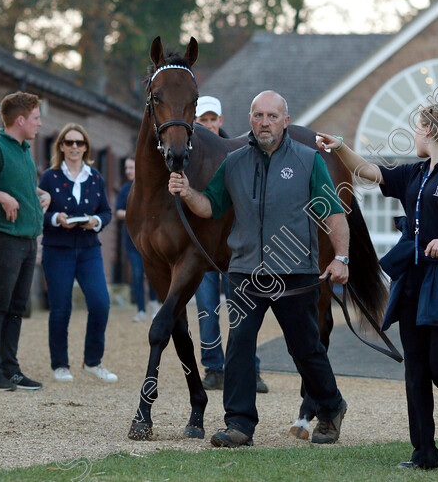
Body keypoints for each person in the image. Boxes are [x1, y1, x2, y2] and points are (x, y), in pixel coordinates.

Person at [317, 102, 438, 469]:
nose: (414, 133)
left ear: (431, 131)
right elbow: (369, 171)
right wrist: (340, 147)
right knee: (416, 370)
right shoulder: (416, 173)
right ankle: (424, 454)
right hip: (414, 280)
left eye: (417, 127)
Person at [169, 90, 350, 447]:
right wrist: (188, 192)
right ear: (249, 119)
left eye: (271, 116)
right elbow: (210, 207)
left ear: (285, 120)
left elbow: (333, 213)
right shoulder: (234, 161)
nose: (264, 122)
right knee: (238, 347)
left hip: (296, 271)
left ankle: (331, 407)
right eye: (257, 115)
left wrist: (341, 257)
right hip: (244, 272)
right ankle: (239, 425)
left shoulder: (308, 160)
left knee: (305, 349)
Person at [0, 92, 51, 392]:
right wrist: (1, 197)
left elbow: (19, 185)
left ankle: (10, 368)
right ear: (20, 120)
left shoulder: (24, 149)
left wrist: (41, 195)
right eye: (36, 118)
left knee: (17, 306)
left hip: (27, 240)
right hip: (3, 238)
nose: (40, 123)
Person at [192, 96, 268, 394]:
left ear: (221, 121)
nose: (208, 125)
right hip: (203, 249)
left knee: (243, 311)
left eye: (212, 120)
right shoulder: (190, 157)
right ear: (194, 123)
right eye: (202, 121)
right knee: (207, 309)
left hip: (237, 248)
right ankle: (213, 368)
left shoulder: (242, 152)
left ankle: (251, 368)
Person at [39, 124, 117, 384]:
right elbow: (39, 212)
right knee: (60, 308)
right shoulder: (49, 177)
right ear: (61, 146)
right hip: (57, 249)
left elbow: (106, 212)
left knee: (100, 303)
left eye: (79, 143)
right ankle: (60, 365)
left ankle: (93, 361)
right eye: (69, 142)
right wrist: (55, 218)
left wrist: (94, 220)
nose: (74, 147)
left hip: (88, 249)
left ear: (86, 147)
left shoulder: (95, 177)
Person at [115, 157, 160, 323]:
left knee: (152, 273)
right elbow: (118, 212)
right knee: (136, 273)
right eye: (126, 168)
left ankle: (154, 306)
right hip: (132, 240)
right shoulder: (124, 190)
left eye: (131, 167)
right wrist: (134, 214)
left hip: (151, 240)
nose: (128, 171)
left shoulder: (150, 188)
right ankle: (141, 310)